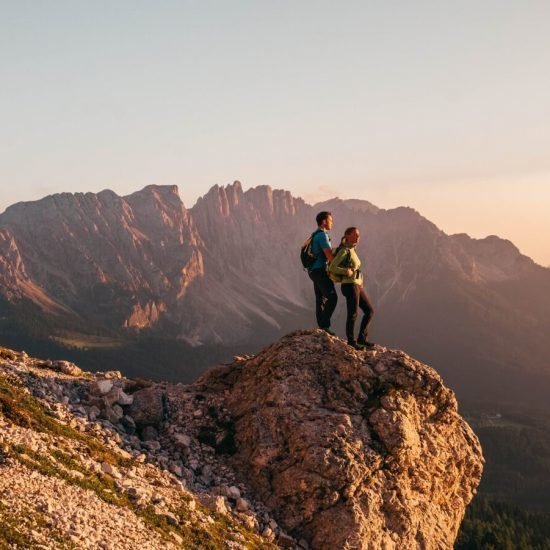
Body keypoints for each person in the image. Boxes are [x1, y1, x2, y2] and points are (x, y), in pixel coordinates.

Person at [329, 227, 375, 350]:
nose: (358, 237)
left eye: (358, 235)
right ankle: (351, 341)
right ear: (347, 236)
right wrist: (346, 271)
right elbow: (332, 268)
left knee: (369, 311)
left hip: (356, 285)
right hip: (349, 285)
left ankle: (362, 338)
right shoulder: (344, 250)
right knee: (353, 313)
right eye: (355, 235)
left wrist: (360, 282)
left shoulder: (352, 250)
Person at [308, 211, 338, 335]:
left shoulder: (314, 234)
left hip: (313, 271)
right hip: (320, 270)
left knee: (320, 299)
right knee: (332, 297)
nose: (332, 223)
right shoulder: (322, 236)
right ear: (324, 221)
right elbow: (329, 256)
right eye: (331, 220)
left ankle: (321, 328)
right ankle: (325, 326)